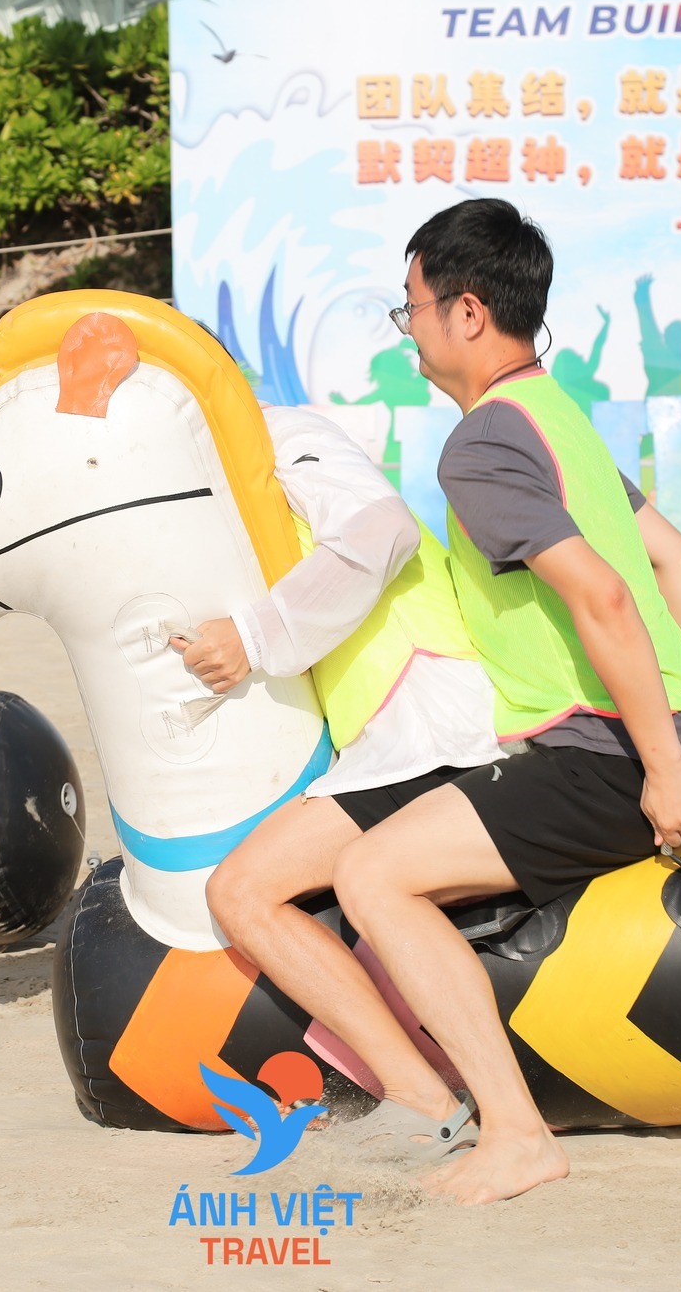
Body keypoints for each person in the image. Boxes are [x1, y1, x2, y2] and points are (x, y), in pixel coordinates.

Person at [326, 198, 681, 1205]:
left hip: (608, 756)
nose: (408, 331)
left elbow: (604, 596)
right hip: (672, 735)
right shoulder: (555, 417)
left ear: (467, 312)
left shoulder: (481, 446)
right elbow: (675, 559)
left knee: (372, 876)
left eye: (411, 308)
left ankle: (516, 1133)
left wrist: (664, 770)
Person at [195, 404, 504, 1158]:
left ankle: (421, 1097)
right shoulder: (214, 474)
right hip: (396, 731)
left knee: (241, 893)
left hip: (427, 720)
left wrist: (253, 637)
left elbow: (383, 527)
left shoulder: (275, 433)